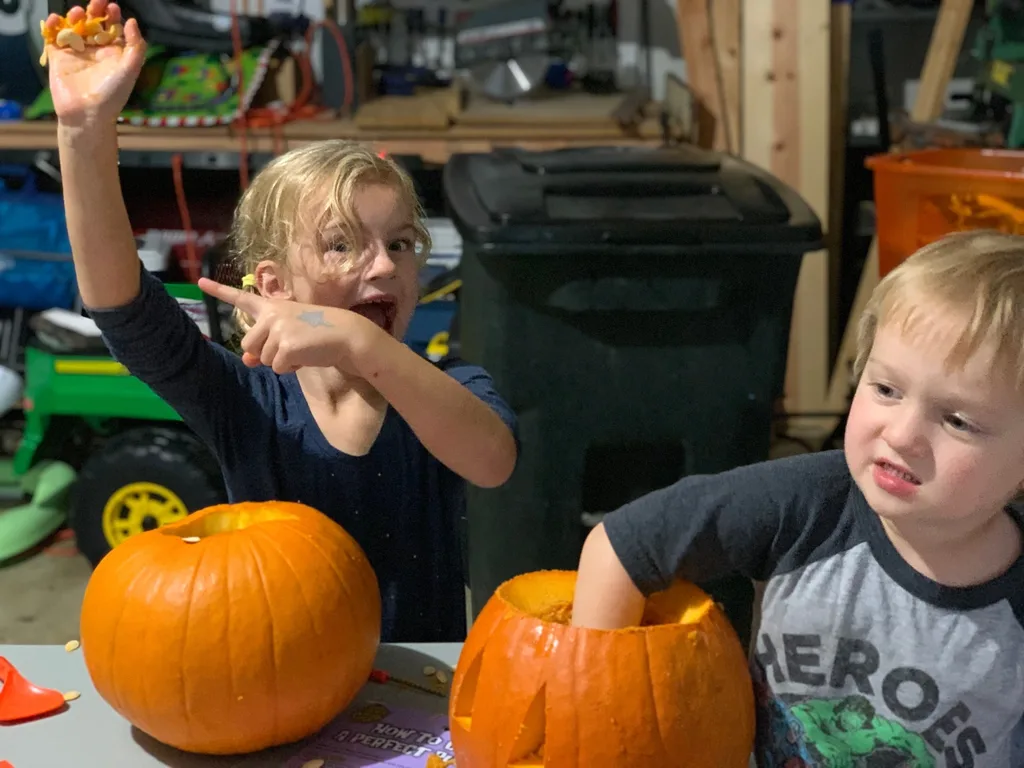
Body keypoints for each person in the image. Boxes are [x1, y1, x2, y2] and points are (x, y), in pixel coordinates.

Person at [46, 0, 518, 643]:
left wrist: (357, 340)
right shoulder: (245, 400)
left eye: (401, 244)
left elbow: (493, 461)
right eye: (342, 244)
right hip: (276, 693)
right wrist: (83, 131)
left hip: (417, 697)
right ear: (273, 287)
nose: (382, 266)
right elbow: (123, 311)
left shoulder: (448, 387)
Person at [571, 229, 1024, 767]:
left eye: (957, 419)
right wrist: (596, 722)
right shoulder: (808, 504)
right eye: (886, 389)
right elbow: (622, 547)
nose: (901, 434)